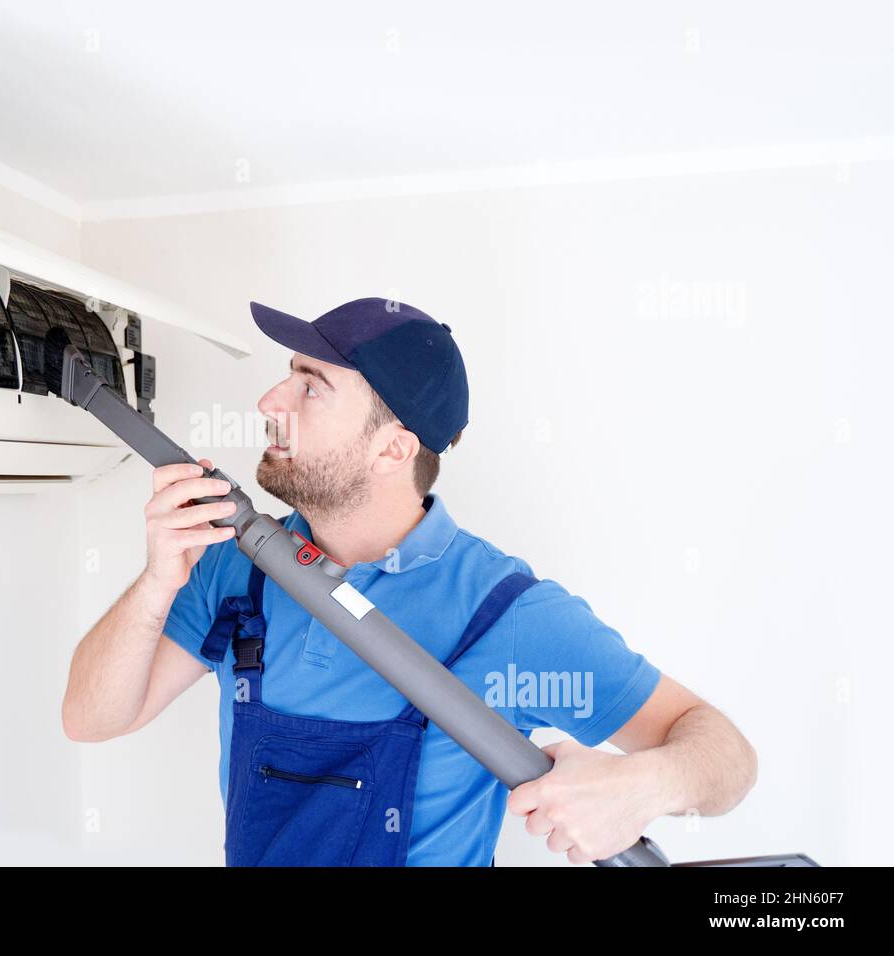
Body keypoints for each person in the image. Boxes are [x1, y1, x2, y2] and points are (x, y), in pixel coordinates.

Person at [62, 297, 757, 866]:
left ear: (393, 447)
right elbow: (91, 719)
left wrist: (639, 787)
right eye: (287, 375)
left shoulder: (505, 613)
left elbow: (727, 758)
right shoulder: (237, 567)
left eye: (311, 386)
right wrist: (157, 581)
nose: (271, 400)